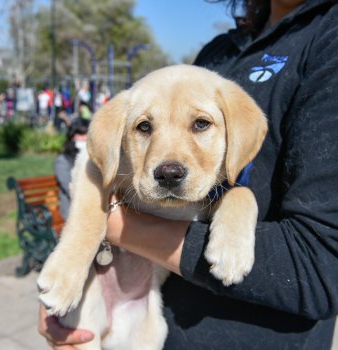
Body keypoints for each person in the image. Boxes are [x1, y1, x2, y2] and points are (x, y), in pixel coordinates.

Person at [38, 0, 338, 349]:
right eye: (145, 127)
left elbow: (323, 269)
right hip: (149, 317)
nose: (169, 164)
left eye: (200, 124)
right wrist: (68, 267)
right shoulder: (220, 50)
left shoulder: (327, 37)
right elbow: (92, 167)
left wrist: (117, 225)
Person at [54, 122, 89, 220]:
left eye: (87, 134)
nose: (85, 138)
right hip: (73, 209)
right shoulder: (63, 161)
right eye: (81, 134)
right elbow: (71, 188)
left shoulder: (92, 156)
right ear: (72, 137)